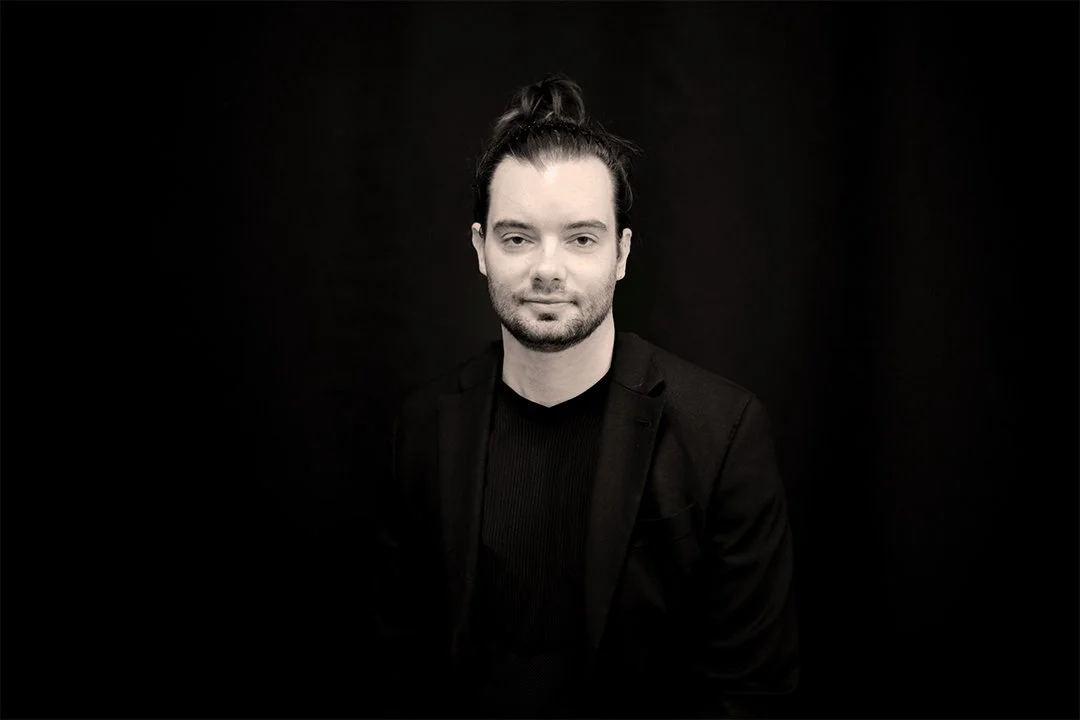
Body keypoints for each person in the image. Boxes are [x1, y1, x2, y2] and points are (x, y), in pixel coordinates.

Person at [374, 73, 798, 719]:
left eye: (581, 238)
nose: (549, 268)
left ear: (621, 254)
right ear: (480, 248)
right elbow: (397, 669)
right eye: (518, 237)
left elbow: (752, 692)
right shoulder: (421, 429)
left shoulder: (723, 431)